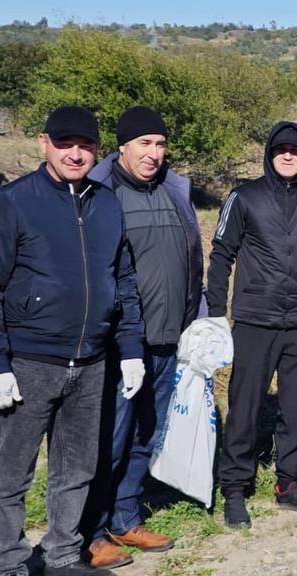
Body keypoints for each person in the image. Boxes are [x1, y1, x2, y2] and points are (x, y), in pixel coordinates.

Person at [0, 106, 144, 576]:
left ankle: (64, 554)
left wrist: (130, 352)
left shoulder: (106, 203)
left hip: (91, 363)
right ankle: (10, 562)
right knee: (12, 473)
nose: (76, 153)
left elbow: (122, 281)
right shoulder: (13, 202)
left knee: (77, 468)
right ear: (44, 142)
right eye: (65, 143)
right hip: (28, 362)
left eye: (85, 145)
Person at [80, 107, 204, 569]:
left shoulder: (175, 190)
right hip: (120, 346)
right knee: (109, 440)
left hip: (170, 340)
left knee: (146, 436)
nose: (154, 154)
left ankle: (125, 517)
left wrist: (199, 321)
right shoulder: (100, 192)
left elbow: (192, 262)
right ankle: (89, 532)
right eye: (144, 144)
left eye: (160, 144)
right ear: (123, 147)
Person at [207, 121, 297, 530]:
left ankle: (288, 483)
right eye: (281, 149)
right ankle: (235, 487)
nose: (288, 156)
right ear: (269, 153)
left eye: (296, 151)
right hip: (255, 319)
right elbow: (221, 255)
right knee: (246, 405)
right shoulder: (243, 197)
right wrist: (217, 310)